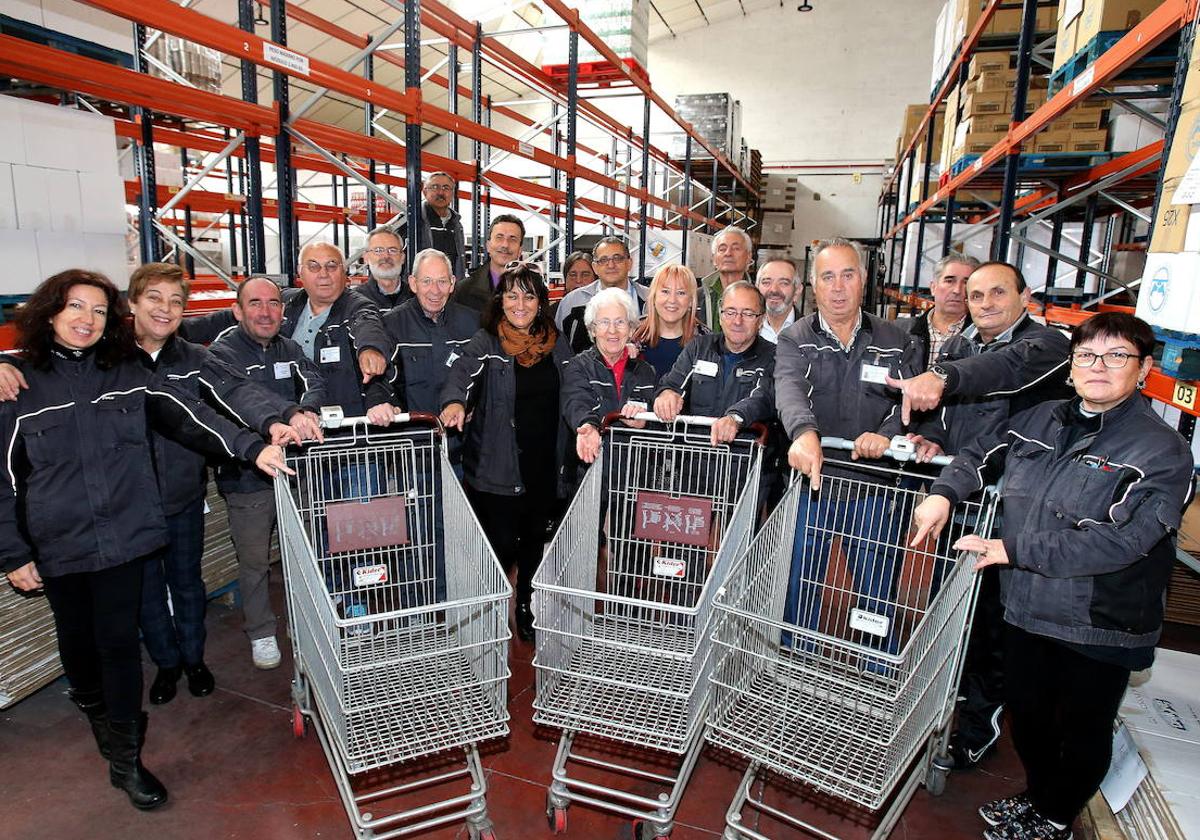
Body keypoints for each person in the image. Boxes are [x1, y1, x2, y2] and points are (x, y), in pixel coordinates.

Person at [0, 270, 290, 811]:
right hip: (60, 542)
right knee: (79, 650)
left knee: (117, 648)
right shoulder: (20, 384)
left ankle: (126, 760)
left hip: (126, 535)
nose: (86, 320)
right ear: (50, 313)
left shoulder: (127, 372)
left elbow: (189, 417)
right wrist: (14, 552)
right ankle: (101, 724)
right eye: (75, 308)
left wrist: (252, 448)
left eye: (98, 311)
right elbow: (2, 477)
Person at [911, 312, 1194, 840]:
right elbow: (979, 455)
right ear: (1071, 366)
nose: (1098, 367)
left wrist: (1011, 548)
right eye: (1087, 355)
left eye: (1116, 356)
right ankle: (1040, 797)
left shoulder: (1162, 451)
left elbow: (1124, 542)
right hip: (1027, 605)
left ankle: (1058, 814)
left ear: (1144, 368)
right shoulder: (1039, 419)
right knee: (1029, 715)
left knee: (1081, 729)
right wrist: (943, 495)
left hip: (1100, 619)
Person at [893, 261, 1073, 770]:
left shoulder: (1047, 348)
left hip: (1012, 512)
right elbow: (960, 425)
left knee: (990, 624)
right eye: (976, 295)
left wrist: (943, 374)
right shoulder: (963, 343)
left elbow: (1001, 403)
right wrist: (934, 440)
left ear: (1025, 295)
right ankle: (935, 701)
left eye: (998, 292)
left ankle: (975, 728)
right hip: (962, 498)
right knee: (947, 608)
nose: (986, 302)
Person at [125, 264, 316, 705]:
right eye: (155, 298)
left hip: (180, 490)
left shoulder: (195, 358)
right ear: (132, 303)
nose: (166, 309)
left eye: (176, 301)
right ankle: (167, 665)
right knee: (148, 590)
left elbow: (236, 394)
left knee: (187, 581)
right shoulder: (109, 358)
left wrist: (279, 418)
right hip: (126, 499)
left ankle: (193, 659)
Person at [774, 237, 922, 651]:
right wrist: (804, 433)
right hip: (813, 485)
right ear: (814, 286)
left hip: (874, 488)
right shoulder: (796, 339)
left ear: (863, 282)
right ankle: (792, 664)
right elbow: (788, 389)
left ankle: (874, 673)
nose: (838, 287)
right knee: (800, 583)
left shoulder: (899, 340)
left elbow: (909, 402)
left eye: (848, 274)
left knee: (876, 589)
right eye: (828, 277)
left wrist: (888, 434)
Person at [440, 263, 572, 643]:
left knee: (533, 542)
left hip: (543, 463)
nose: (519, 303)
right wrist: (453, 403)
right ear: (500, 300)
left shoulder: (556, 342)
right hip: (497, 465)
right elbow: (461, 375)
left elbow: (577, 380)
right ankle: (490, 606)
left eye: (529, 295)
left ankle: (525, 604)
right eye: (512, 294)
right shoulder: (486, 341)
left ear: (541, 302)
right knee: (498, 548)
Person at [207, 277, 332, 670]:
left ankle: (308, 621)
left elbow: (314, 381)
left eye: (274, 303)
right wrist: (288, 412)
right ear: (238, 310)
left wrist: (308, 408)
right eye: (255, 304)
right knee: (256, 561)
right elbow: (237, 401)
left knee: (309, 552)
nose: (265, 312)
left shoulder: (288, 347)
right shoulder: (222, 353)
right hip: (248, 477)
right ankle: (261, 632)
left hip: (296, 471)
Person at [653, 281, 775, 447]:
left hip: (744, 462)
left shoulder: (773, 356)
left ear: (760, 320)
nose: (737, 321)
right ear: (721, 315)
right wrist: (667, 394)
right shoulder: (699, 347)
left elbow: (763, 397)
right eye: (730, 312)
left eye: (747, 314)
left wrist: (735, 418)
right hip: (695, 460)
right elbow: (673, 383)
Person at [561, 286, 658, 472]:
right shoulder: (579, 367)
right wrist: (588, 426)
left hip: (635, 476)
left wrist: (645, 421)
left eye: (620, 322)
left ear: (631, 329)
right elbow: (576, 403)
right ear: (593, 330)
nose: (612, 330)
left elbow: (660, 423)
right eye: (604, 322)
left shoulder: (646, 371)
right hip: (590, 474)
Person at [382, 248, 478, 416]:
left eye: (442, 281)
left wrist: (470, 405)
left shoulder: (473, 324)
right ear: (413, 283)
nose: (435, 290)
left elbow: (484, 377)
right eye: (426, 281)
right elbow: (382, 382)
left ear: (452, 283)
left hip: (462, 436)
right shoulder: (392, 325)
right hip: (412, 435)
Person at [555, 237, 650, 353]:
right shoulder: (572, 302)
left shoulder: (651, 300)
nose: (611, 265)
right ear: (595, 267)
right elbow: (559, 350)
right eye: (603, 260)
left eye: (617, 258)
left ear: (629, 263)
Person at [900, 252, 977, 369]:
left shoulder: (981, 338)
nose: (957, 290)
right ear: (933, 287)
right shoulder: (900, 330)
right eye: (949, 281)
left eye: (966, 283)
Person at [632, 263, 704, 378]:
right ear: (654, 296)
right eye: (665, 291)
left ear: (691, 300)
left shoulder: (706, 341)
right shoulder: (633, 335)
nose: (672, 300)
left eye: (681, 293)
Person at [452, 214, 525, 314]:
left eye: (513, 239)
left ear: (520, 250)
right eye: (499, 237)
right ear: (488, 246)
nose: (505, 245)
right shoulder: (464, 290)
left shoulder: (533, 291)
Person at [698, 226, 753, 331]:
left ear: (748, 257)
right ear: (714, 259)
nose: (728, 253)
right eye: (722, 249)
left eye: (736, 248)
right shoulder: (698, 297)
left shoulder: (758, 296)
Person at [353, 225, 412, 312]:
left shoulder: (418, 298)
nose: (386, 256)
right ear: (366, 258)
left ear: (402, 257)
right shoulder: (353, 302)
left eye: (392, 250)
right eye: (378, 250)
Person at [551, 251, 596, 352]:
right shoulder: (551, 312)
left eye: (585, 274)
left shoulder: (605, 311)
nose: (578, 280)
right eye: (572, 274)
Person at [756, 258, 800, 344]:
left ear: (797, 291)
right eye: (766, 282)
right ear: (757, 288)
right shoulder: (743, 330)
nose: (774, 289)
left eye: (783, 283)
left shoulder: (812, 334)